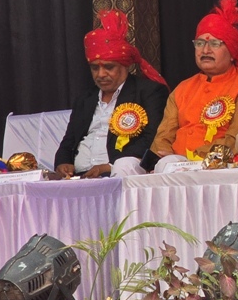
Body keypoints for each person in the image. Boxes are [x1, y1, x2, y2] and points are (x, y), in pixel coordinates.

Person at [148, 0, 238, 169]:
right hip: (173, 165)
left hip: (218, 166)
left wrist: (192, 158)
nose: (205, 50)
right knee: (127, 164)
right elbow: (163, 136)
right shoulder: (183, 88)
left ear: (231, 52)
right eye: (200, 43)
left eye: (215, 43)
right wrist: (164, 154)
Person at [50, 10, 168, 179]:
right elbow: (69, 140)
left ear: (125, 65)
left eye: (109, 67)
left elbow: (152, 139)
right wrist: (63, 162)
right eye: (94, 68)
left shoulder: (149, 92)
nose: (101, 74)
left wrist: (109, 166)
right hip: (78, 176)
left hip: (119, 173)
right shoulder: (85, 99)